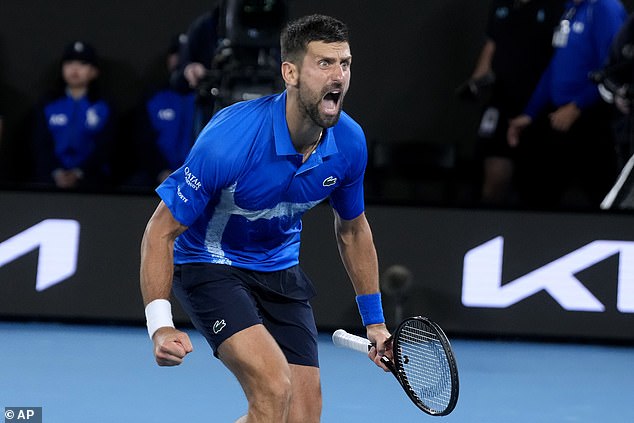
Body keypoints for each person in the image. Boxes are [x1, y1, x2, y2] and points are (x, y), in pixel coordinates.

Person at [140, 14, 392, 423]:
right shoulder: (229, 140)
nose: (338, 75)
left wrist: (376, 322)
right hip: (210, 264)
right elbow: (160, 230)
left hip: (279, 268)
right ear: (290, 73)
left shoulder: (349, 143)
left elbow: (352, 229)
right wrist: (160, 325)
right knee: (274, 390)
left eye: (344, 63)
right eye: (324, 63)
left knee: (301, 417)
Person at [507, 0, 627, 209]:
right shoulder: (569, 10)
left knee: (604, 197)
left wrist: (578, 106)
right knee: (537, 193)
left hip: (594, 118)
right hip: (560, 116)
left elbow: (613, 69)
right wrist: (530, 113)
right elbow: (555, 67)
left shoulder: (604, 8)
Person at [460, 0, 565, 206]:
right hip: (501, 102)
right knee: (492, 177)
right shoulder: (501, 6)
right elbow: (491, 46)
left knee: (537, 185)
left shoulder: (555, 7)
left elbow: (560, 56)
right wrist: (476, 81)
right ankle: (490, 229)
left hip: (538, 106)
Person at [171, 0, 287, 136]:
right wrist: (189, 70)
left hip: (267, 122)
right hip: (217, 119)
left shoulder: (277, 20)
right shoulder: (205, 27)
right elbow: (177, 80)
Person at [32, 40, 114, 190]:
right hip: (49, 181)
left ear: (94, 71)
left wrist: (79, 172)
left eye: (82, 64)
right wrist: (56, 172)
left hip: (93, 183)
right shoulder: (48, 104)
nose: (75, 69)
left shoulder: (105, 106)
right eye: (69, 63)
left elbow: (106, 147)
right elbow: (41, 143)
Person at [136, 34, 196, 187]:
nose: (179, 59)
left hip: (199, 181)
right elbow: (144, 141)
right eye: (175, 53)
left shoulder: (209, 99)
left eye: (186, 53)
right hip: (157, 179)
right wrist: (160, 171)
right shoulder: (154, 98)